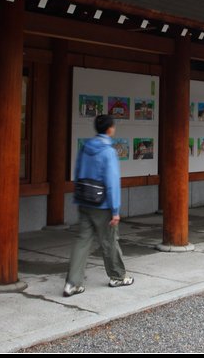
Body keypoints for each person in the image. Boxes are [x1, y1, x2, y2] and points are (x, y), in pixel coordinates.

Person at [64, 114, 133, 297]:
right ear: (110, 129)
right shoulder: (108, 151)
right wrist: (115, 210)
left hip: (84, 200)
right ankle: (118, 276)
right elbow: (111, 182)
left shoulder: (85, 147)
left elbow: (78, 173)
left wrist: (79, 195)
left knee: (82, 241)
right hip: (102, 204)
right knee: (109, 240)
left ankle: (72, 283)